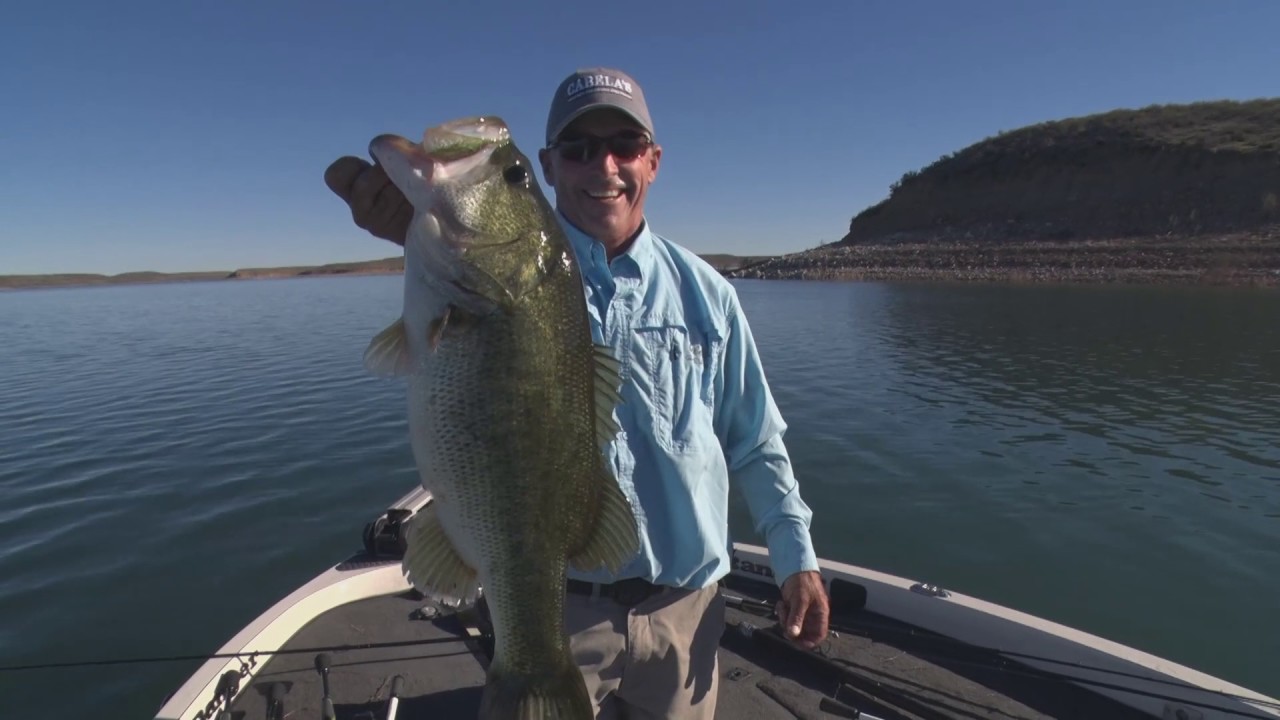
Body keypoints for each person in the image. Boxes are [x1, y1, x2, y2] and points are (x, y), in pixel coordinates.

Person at [324, 67, 829, 719]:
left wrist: (796, 557)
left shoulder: (711, 294)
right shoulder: (500, 270)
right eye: (579, 149)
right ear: (549, 167)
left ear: (654, 159)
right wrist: (422, 225)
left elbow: (754, 442)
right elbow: (490, 289)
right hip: (555, 605)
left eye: (624, 144)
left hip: (687, 613)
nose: (605, 165)